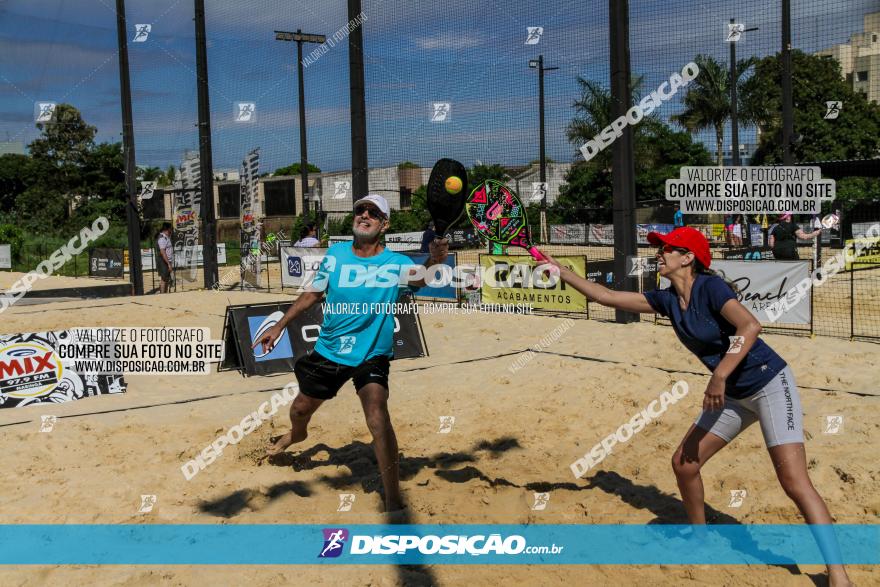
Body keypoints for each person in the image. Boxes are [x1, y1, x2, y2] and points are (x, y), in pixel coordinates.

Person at [537, 226, 852, 587]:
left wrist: (718, 376)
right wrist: (562, 271)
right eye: (659, 248)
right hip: (731, 395)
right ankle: (700, 538)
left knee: (794, 482)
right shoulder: (668, 299)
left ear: (688, 258)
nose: (659, 253)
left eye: (667, 248)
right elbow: (607, 297)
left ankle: (838, 575)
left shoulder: (710, 287)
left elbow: (750, 326)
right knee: (684, 464)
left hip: (769, 384)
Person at [254, 194, 448, 513]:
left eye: (374, 212)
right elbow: (313, 294)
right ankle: (296, 435)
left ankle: (394, 500)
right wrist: (279, 325)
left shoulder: (396, 263)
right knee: (301, 410)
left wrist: (434, 260)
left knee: (377, 414)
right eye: (360, 210)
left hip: (372, 353)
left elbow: (422, 278)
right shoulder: (337, 254)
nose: (365, 215)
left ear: (384, 224)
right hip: (330, 350)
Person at [156, 222, 174, 293]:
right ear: (167, 229)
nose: (171, 230)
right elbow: (163, 252)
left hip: (167, 260)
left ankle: (165, 294)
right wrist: (168, 264)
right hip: (163, 261)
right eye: (170, 228)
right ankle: (162, 294)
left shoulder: (167, 237)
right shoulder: (162, 238)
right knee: (164, 278)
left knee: (166, 278)